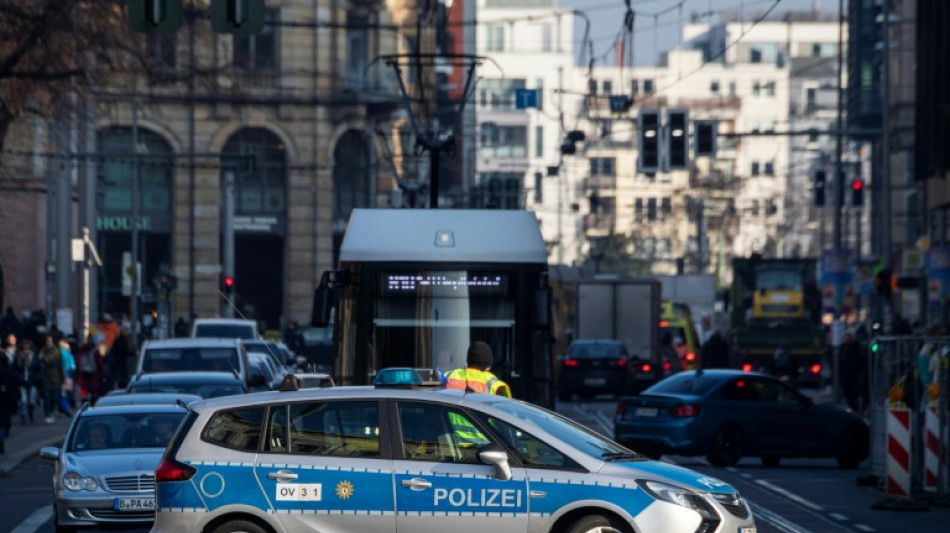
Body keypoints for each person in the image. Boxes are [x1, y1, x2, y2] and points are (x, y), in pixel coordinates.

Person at [444, 341, 511, 397]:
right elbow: (505, 410)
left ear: (468, 360)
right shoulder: (495, 385)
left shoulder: (448, 375)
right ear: (488, 366)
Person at [14, 340, 43, 425]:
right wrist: (18, 377)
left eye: (28, 349)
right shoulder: (19, 358)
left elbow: (39, 369)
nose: (26, 350)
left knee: (31, 399)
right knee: (23, 400)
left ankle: (31, 412)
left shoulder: (34, 358)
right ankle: (23, 416)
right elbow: (15, 369)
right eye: (24, 349)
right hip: (22, 381)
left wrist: (36, 377)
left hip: (32, 381)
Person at [40, 335, 64, 424]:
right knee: (47, 397)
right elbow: (39, 363)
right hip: (46, 378)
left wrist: (62, 379)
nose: (49, 343)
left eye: (50, 341)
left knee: (54, 398)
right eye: (47, 341)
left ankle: (51, 411)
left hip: (55, 378)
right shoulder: (43, 352)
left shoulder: (56, 353)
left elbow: (60, 367)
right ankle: (47, 414)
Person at [0, 349, 20, 454]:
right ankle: (1, 441)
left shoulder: (8, 373)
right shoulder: (8, 372)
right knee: (4, 424)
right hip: (6, 403)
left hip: (5, 401)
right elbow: (14, 387)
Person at [77, 338, 106, 406]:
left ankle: (84, 406)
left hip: (83, 376)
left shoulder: (81, 351)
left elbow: (78, 364)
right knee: (94, 393)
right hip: (93, 376)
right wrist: (103, 376)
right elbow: (100, 364)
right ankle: (93, 407)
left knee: (84, 393)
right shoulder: (95, 351)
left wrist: (77, 376)